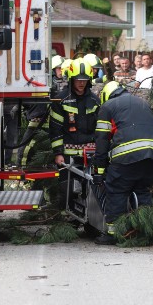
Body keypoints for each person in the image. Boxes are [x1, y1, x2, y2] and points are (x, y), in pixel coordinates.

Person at [92, 81, 153, 244]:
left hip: (126, 155)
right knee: (142, 190)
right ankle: (146, 231)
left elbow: (101, 141)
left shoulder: (108, 106)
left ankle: (114, 233)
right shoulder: (143, 103)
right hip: (152, 153)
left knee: (116, 190)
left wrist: (99, 172)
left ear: (106, 96)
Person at [49, 59, 101, 209]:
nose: (81, 83)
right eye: (78, 79)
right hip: (67, 156)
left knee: (89, 190)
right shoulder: (61, 100)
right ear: (72, 79)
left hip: (89, 155)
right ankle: (69, 219)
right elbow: (55, 128)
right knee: (68, 190)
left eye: (84, 80)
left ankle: (88, 220)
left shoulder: (95, 101)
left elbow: (100, 129)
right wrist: (58, 153)